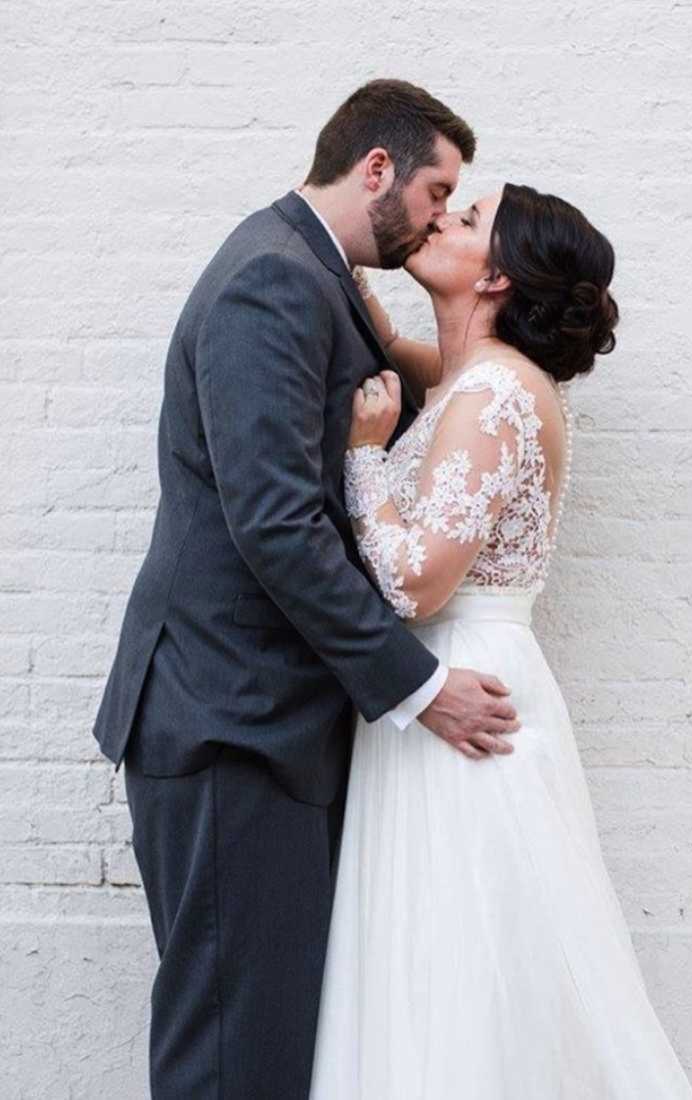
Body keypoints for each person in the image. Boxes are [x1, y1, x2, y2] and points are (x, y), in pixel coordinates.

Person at [90, 79, 523, 1099]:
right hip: (228, 724)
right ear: (376, 167)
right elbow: (275, 522)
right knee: (235, 1057)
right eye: (435, 187)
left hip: (264, 724)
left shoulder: (316, 277)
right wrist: (419, 687)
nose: (438, 213)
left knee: (272, 1045)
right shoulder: (272, 281)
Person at [307, 183, 692, 1098]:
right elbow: (408, 351)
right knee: (442, 958)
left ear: (495, 275)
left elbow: (413, 582)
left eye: (466, 217)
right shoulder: (471, 380)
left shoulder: (492, 396)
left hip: (462, 698)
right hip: (445, 686)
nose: (440, 218)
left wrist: (365, 453)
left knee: (461, 965)